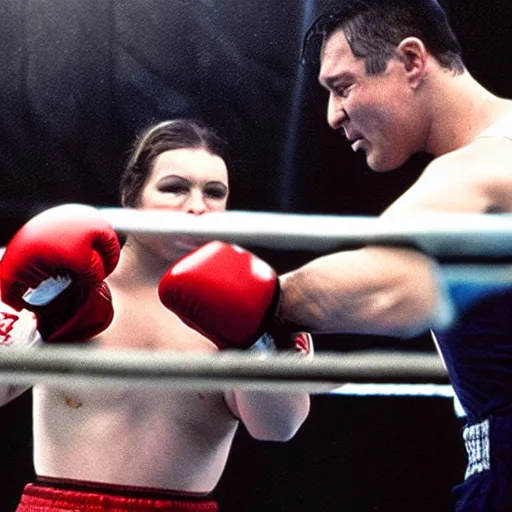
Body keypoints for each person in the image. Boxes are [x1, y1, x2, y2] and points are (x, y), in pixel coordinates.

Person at [153, 1, 512, 510]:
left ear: (411, 60)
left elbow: (384, 285)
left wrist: (262, 298)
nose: (332, 114)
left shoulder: (475, 171)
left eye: (343, 87)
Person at [0, 118, 311, 511]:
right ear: (131, 196)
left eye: (214, 193)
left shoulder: (259, 299)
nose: (197, 206)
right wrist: (42, 316)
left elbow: (279, 428)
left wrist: (255, 343)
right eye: (175, 188)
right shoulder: (58, 283)